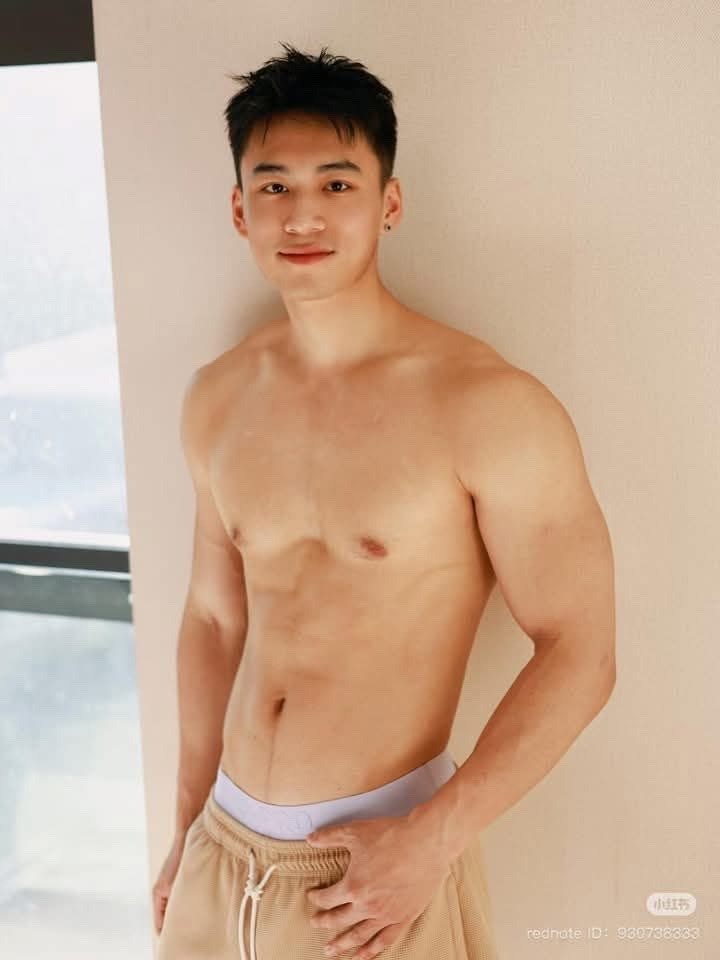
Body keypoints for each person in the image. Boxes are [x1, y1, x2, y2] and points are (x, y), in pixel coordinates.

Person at [152, 42, 616, 960]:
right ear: (240, 209)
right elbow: (212, 618)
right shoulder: (218, 396)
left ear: (389, 204)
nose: (303, 214)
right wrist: (184, 826)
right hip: (221, 849)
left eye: (337, 183)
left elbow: (582, 651)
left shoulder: (488, 406)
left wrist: (432, 842)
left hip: (375, 876)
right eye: (275, 186)